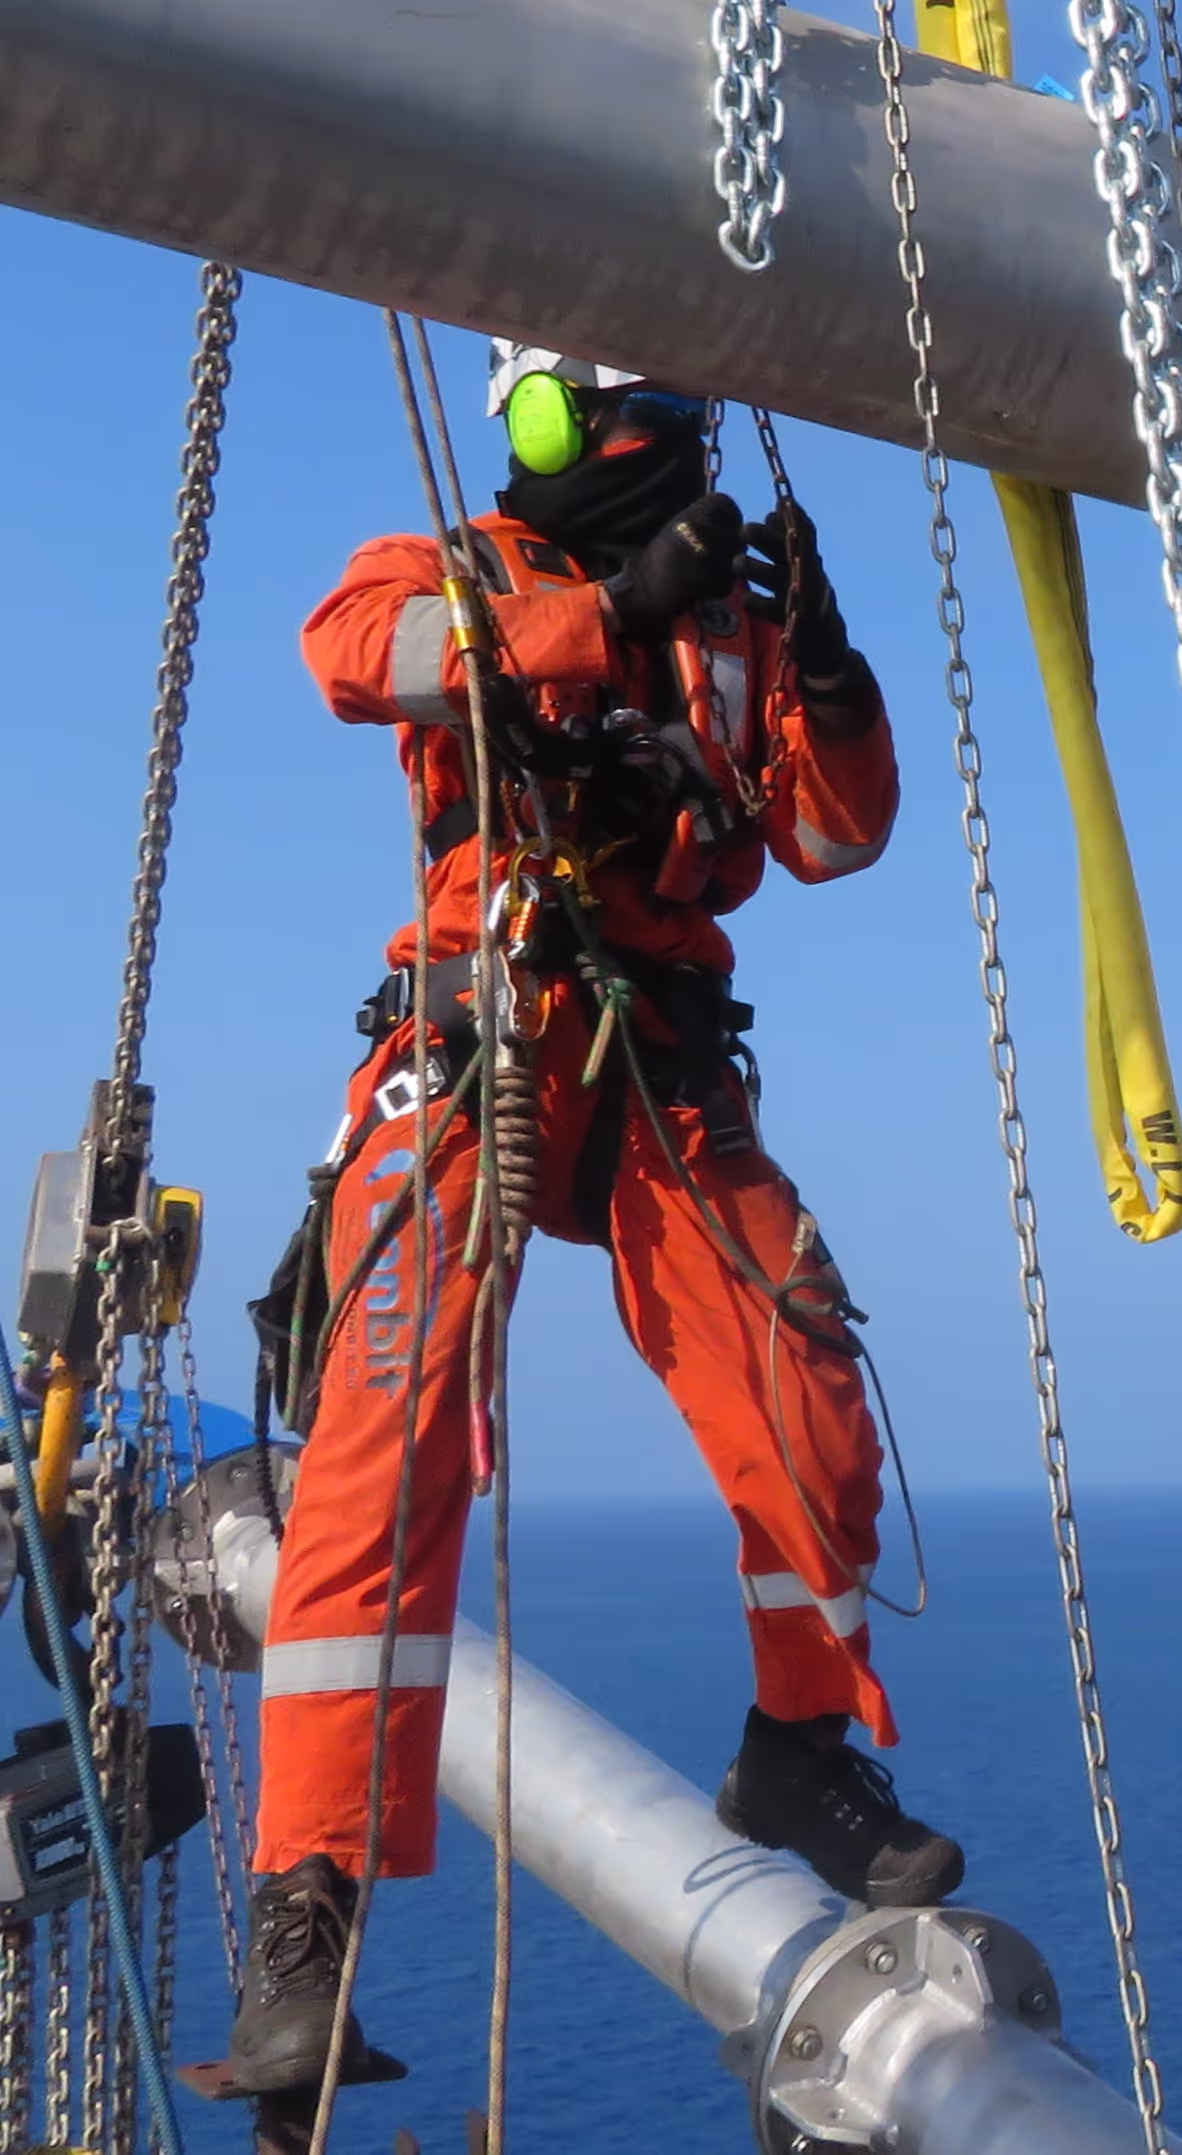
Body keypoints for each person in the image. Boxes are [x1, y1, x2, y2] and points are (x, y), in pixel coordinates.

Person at [227, 352, 958, 2098]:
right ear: (547, 422)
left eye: (680, 421)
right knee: (389, 1438)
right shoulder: (458, 571)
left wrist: (832, 683)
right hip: (479, 1025)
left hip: (663, 1056)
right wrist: (592, 621)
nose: (667, 451)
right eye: (641, 419)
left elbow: (835, 836)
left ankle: (795, 1742)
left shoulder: (727, 634)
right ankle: (303, 1907)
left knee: (806, 1391)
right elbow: (348, 656)